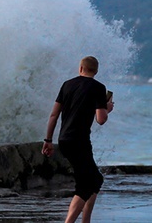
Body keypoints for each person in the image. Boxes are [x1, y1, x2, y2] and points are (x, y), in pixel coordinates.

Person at [42, 56, 114, 223]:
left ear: (80, 68)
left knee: (92, 179)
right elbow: (101, 119)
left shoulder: (67, 85)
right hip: (79, 141)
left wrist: (48, 140)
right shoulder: (98, 88)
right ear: (96, 71)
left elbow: (54, 115)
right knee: (90, 182)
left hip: (64, 140)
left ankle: (85, 220)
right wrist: (107, 108)